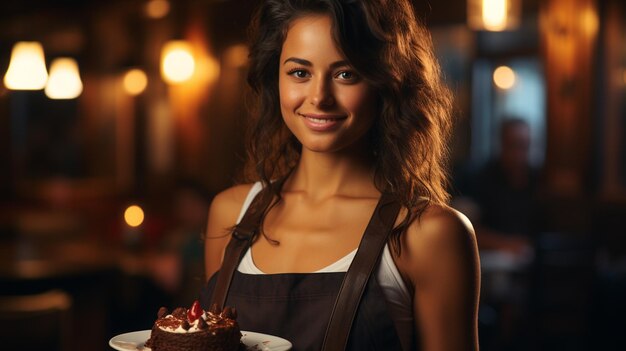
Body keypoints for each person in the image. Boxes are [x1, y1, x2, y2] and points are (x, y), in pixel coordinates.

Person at [202, 1, 480, 350]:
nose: (319, 98)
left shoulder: (429, 233)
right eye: (300, 73)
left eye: (346, 74)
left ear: (386, 80)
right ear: (276, 77)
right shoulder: (230, 214)